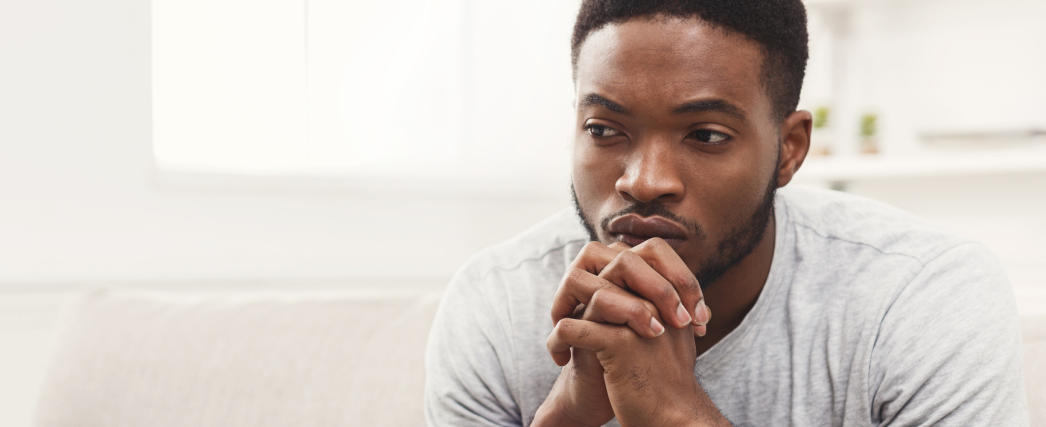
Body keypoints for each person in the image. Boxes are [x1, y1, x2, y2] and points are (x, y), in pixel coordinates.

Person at [423, 0, 1029, 425]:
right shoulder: (496, 301)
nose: (643, 180)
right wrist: (564, 418)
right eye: (604, 128)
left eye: (706, 135)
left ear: (789, 150)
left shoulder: (923, 294)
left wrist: (675, 413)